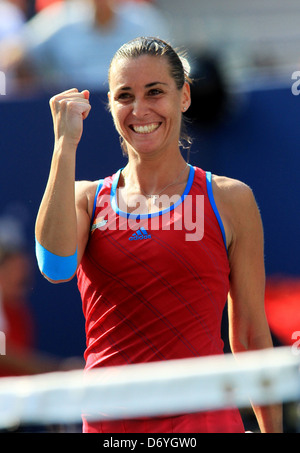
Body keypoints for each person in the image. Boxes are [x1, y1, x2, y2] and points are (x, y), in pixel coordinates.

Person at [35, 37, 282, 433]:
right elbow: (55, 265)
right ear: (110, 105)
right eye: (124, 96)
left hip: (205, 424)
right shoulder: (84, 197)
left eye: (155, 92)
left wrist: (274, 430)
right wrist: (64, 145)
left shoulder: (230, 199)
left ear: (183, 96)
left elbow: (251, 334)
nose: (139, 110)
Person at [0, 0, 169, 93]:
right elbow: (17, 52)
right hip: (76, 114)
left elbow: (172, 64)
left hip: (132, 111)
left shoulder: (143, 20)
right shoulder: (60, 19)